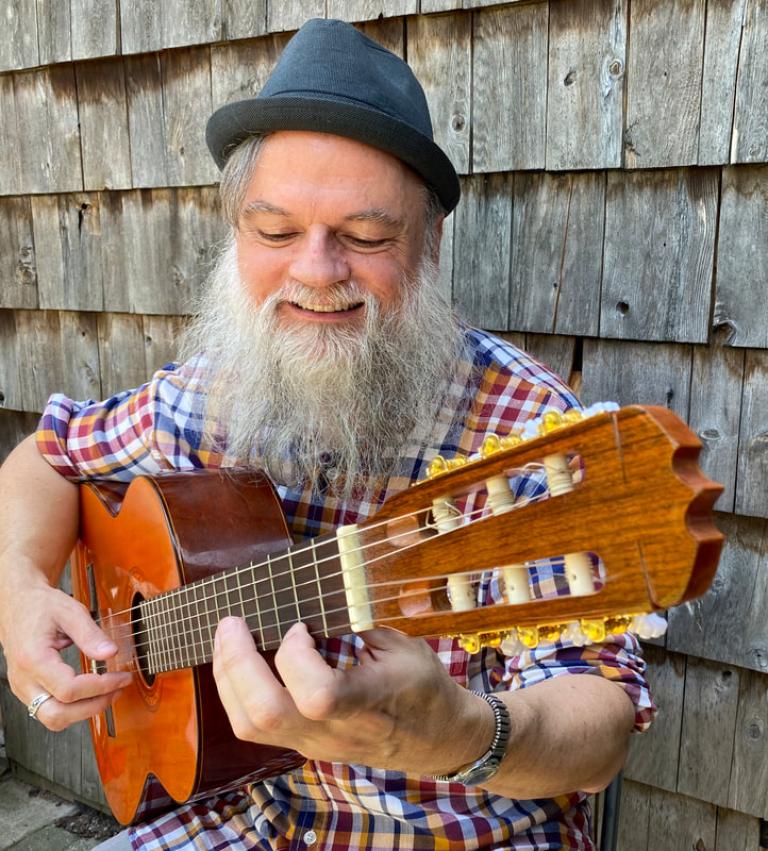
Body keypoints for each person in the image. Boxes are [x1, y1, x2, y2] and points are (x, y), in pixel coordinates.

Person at [0, 19, 652, 851]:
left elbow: (598, 722)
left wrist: (451, 733)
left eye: (367, 236)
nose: (315, 269)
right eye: (275, 232)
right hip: (232, 810)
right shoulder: (207, 394)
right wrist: (18, 590)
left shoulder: (531, 435)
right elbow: (44, 459)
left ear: (430, 244)